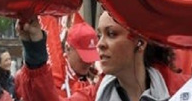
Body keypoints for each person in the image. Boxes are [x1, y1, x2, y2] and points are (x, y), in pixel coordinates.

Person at [15, 12, 173, 101]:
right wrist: (35, 51)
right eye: (100, 35)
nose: (100, 44)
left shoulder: (180, 91)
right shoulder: (92, 97)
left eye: (111, 34)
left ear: (140, 42)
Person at [59, 22, 100, 97]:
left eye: (91, 57)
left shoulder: (96, 77)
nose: (88, 62)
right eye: (84, 57)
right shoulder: (57, 77)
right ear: (68, 49)